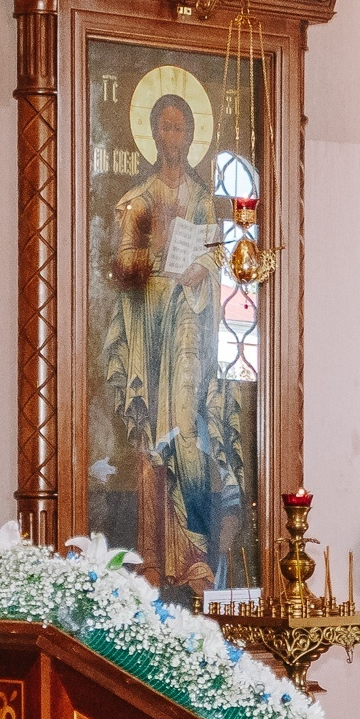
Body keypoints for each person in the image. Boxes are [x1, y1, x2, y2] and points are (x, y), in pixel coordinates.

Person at [97, 90, 238, 599]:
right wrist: (152, 248)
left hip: (189, 333)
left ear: (191, 137)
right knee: (149, 444)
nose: (173, 137)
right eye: (166, 127)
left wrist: (201, 269)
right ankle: (153, 556)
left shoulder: (203, 200)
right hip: (147, 331)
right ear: (153, 134)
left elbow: (221, 261)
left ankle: (194, 556)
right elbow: (123, 269)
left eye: (182, 128)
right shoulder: (138, 199)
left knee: (185, 430)